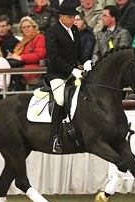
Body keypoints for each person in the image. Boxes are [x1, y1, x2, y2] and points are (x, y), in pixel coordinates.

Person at [45, 1, 91, 153]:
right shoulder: (52, 32)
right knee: (60, 99)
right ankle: (55, 137)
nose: (73, 20)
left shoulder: (75, 30)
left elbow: (78, 53)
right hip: (57, 74)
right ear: (61, 16)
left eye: (74, 17)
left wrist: (86, 61)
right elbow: (54, 58)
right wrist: (72, 70)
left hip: (73, 73)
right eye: (70, 17)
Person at [7, 16, 46, 81]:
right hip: (23, 66)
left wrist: (21, 57)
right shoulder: (22, 42)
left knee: (13, 71)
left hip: (35, 67)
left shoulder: (39, 37)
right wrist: (12, 56)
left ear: (33, 27)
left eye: (28, 26)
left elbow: (39, 55)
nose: (26, 29)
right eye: (24, 27)